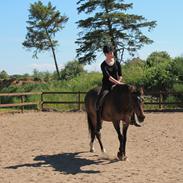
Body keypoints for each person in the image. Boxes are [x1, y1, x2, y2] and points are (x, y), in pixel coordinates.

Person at [95, 45, 123, 133]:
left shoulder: (117, 63)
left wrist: (118, 82)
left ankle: (133, 118)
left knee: (129, 97)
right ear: (106, 54)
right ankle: (99, 123)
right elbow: (109, 77)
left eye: (112, 52)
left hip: (117, 84)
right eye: (110, 52)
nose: (112, 53)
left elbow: (121, 75)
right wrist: (118, 83)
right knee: (99, 101)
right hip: (107, 86)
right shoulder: (103, 65)